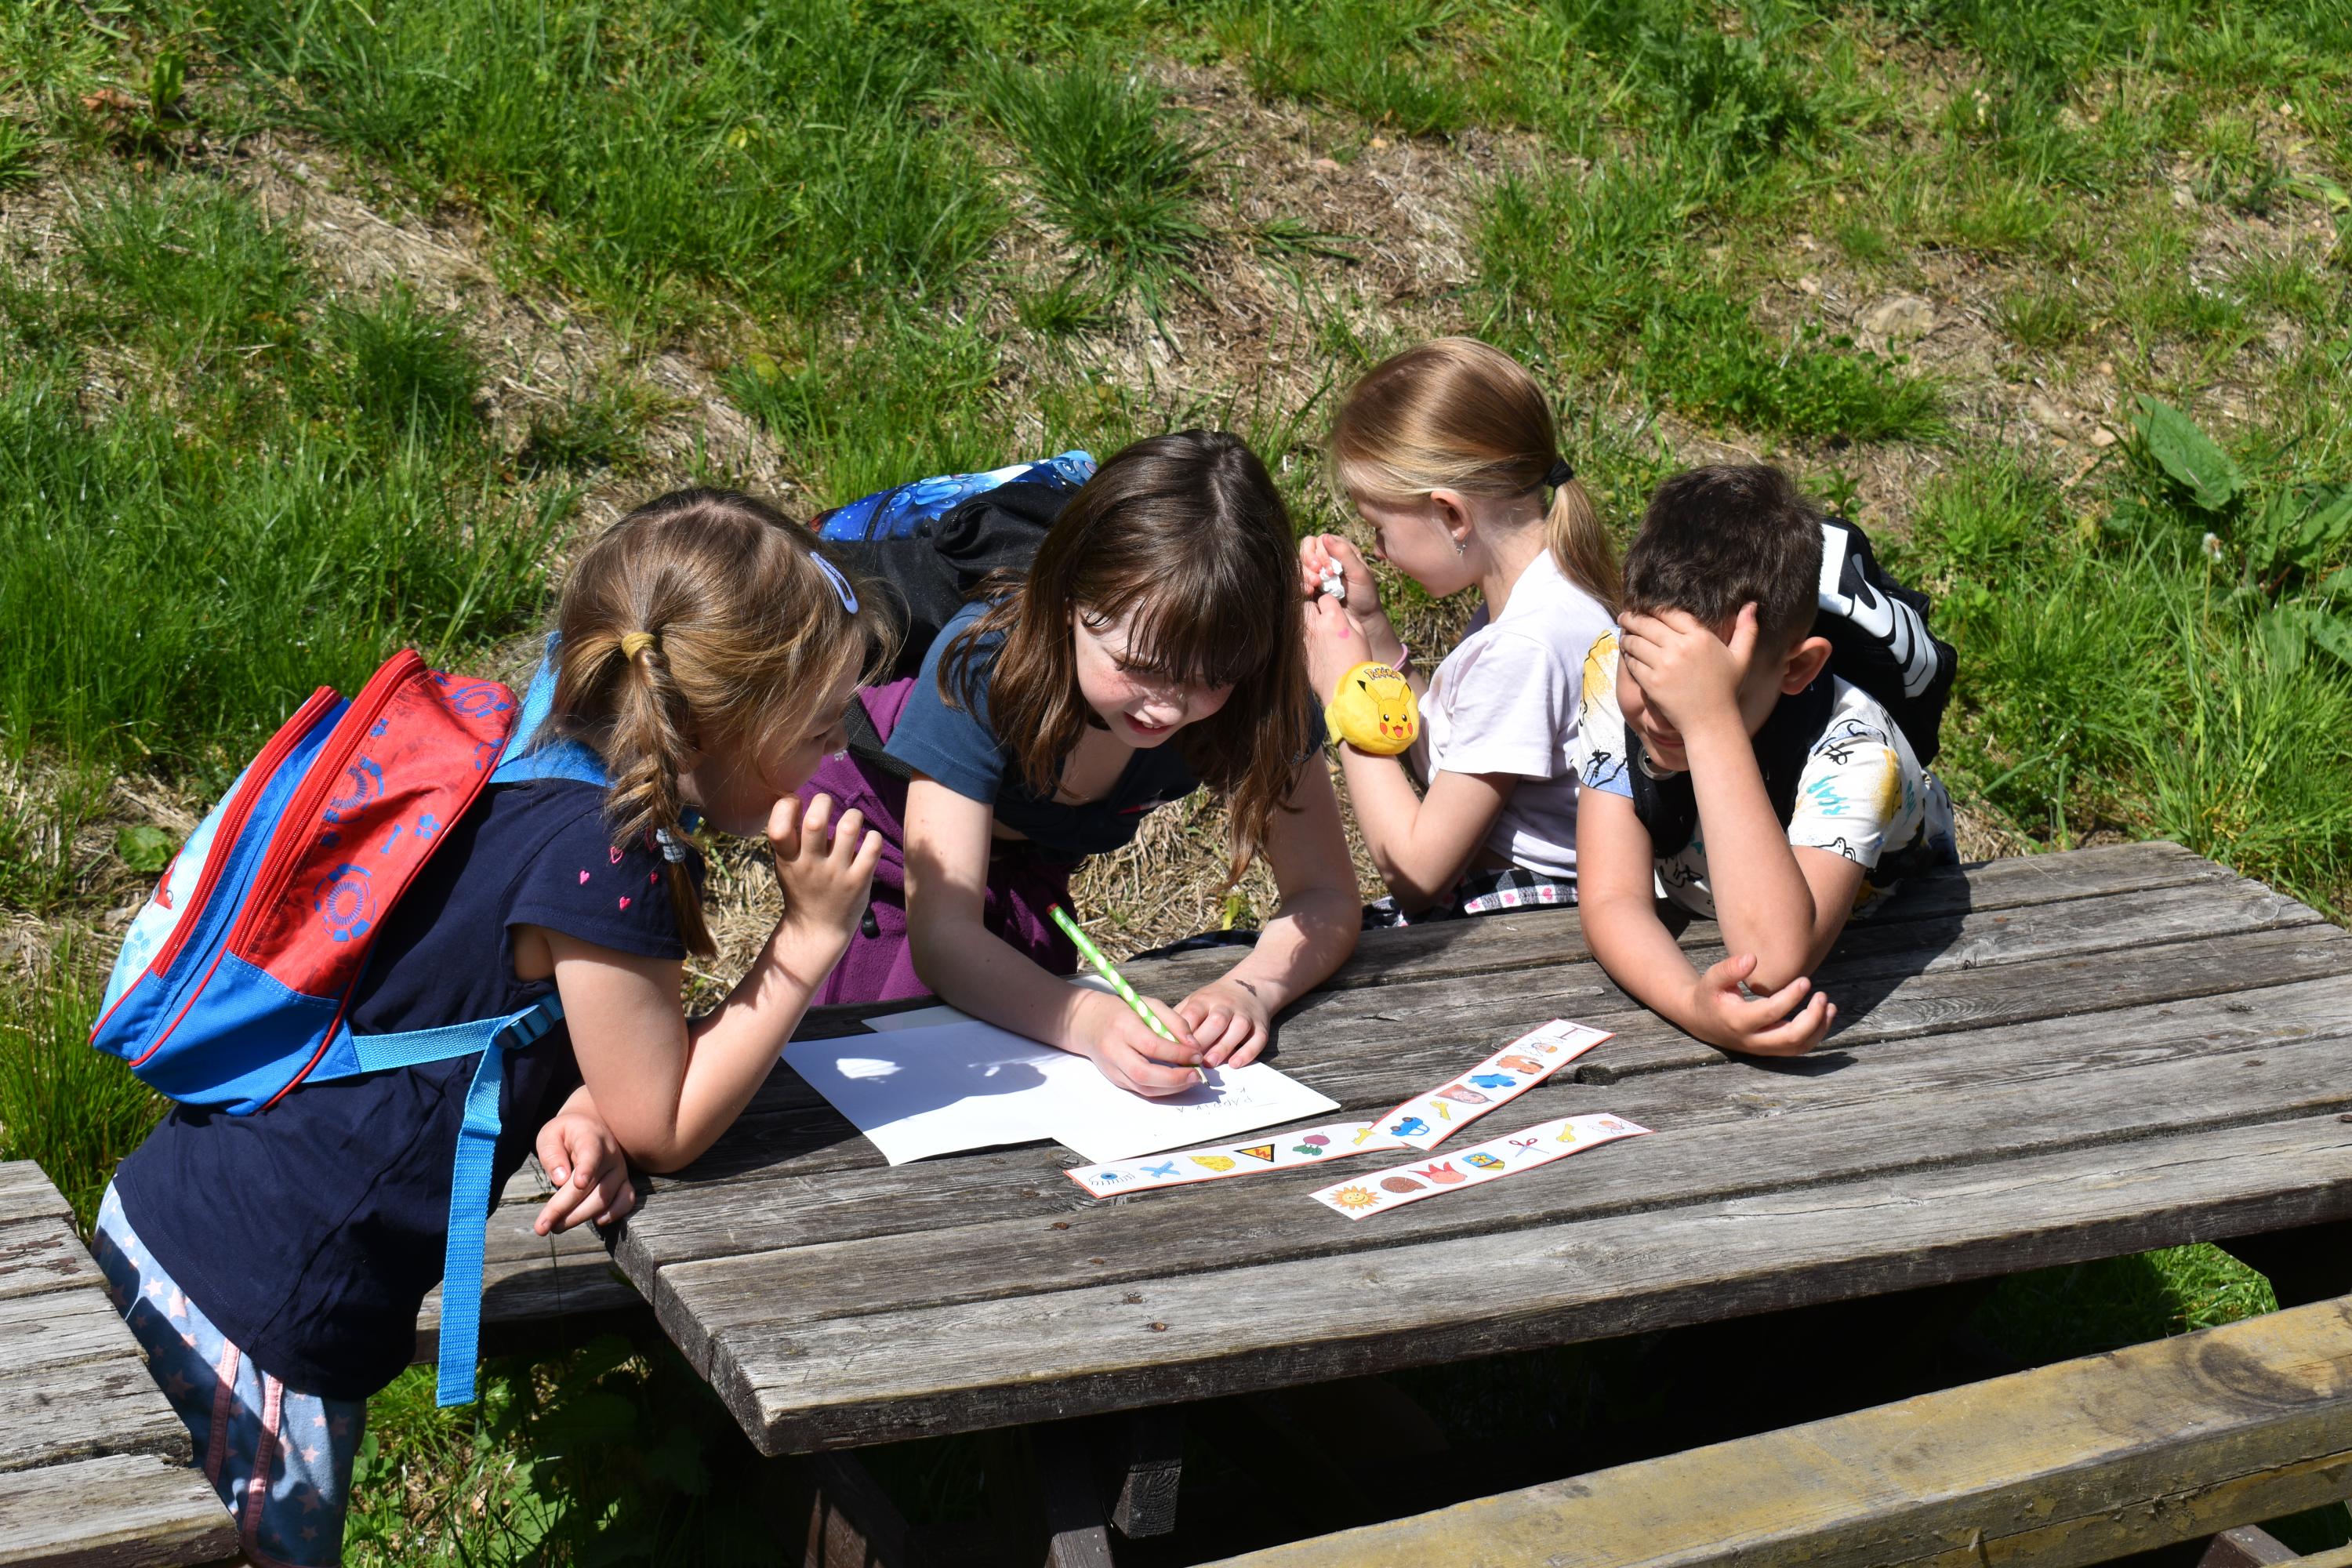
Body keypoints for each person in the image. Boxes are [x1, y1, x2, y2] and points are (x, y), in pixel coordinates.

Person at [93, 488, 887, 1566]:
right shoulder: (613, 855)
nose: (834, 753)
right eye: (820, 726)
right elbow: (665, 1122)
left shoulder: (530, 751)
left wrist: (584, 1095)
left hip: (198, 1220)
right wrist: (807, 940)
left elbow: (530, 1023)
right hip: (261, 1302)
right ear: (715, 720)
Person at [803, 430, 1360, 1098]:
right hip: (888, 842)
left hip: (1022, 862)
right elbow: (945, 938)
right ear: (1066, 599)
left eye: (1211, 678)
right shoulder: (985, 664)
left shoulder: (1258, 696)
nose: (1166, 707)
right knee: (899, 1062)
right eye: (1138, 666)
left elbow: (1325, 894)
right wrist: (1088, 1019)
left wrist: (1251, 990)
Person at [1572, 464, 1955, 1058]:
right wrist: (1691, 1003)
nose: (1663, 715)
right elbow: (1611, 897)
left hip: (1882, 929)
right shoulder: (1615, 665)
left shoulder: (1858, 753)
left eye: (1710, 692)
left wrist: (1711, 723)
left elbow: (1772, 963)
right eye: (1645, 676)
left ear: (1796, 669)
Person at [1297, 338, 1619, 922]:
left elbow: (1417, 872)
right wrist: (1371, 628)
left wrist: (1346, 693)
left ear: (1451, 514)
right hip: (1517, 900)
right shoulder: (1545, 598)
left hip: (1531, 919)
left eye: (1380, 528)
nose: (1378, 550)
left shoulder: (1523, 647)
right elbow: (1449, 769)